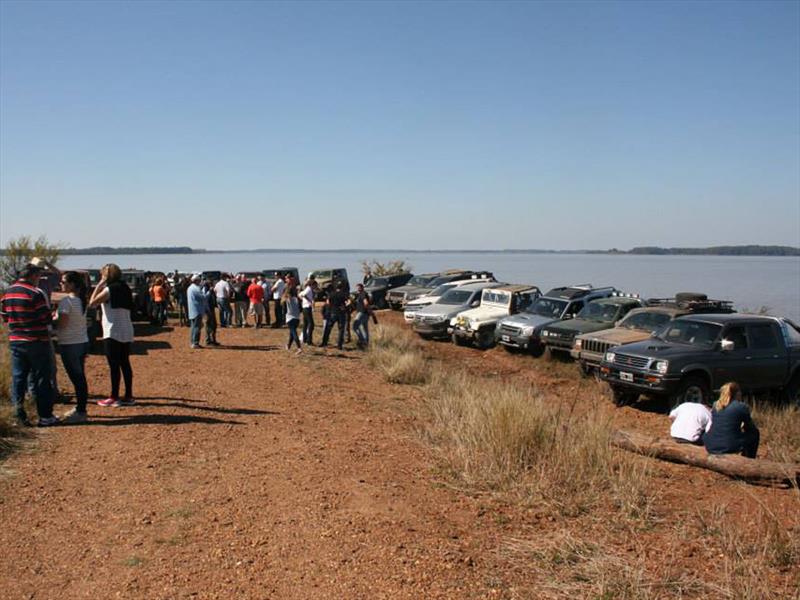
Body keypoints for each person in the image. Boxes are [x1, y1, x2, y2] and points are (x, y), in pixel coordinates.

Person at [0, 263, 60, 427]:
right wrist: (53, 315)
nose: (39, 279)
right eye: (39, 276)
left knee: (18, 378)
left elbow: (5, 316)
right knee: (42, 378)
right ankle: (45, 416)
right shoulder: (35, 293)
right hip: (37, 341)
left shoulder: (8, 293)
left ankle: (18, 416)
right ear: (33, 276)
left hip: (16, 340)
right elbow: (45, 318)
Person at [88, 263, 135, 407]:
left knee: (114, 365)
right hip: (126, 329)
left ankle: (114, 396)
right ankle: (128, 395)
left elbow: (92, 303)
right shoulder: (125, 287)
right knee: (125, 363)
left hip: (112, 330)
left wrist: (99, 285)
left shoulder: (109, 289)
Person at [54, 271, 91, 423]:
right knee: (80, 377)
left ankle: (81, 411)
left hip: (69, 343)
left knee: (77, 378)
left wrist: (53, 322)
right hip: (81, 341)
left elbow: (62, 324)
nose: (61, 284)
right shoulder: (81, 300)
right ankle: (80, 408)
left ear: (72, 284)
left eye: (63, 282)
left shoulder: (66, 302)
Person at [704, 382, 760, 459]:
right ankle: (749, 458)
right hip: (728, 445)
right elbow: (750, 427)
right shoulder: (741, 407)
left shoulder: (715, 405)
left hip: (710, 444)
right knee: (755, 433)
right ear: (737, 393)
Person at [320, 282, 348, 350]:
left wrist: (330, 308)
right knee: (341, 329)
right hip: (341, 313)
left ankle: (324, 342)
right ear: (342, 287)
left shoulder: (331, 294)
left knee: (328, 328)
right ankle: (339, 345)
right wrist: (344, 307)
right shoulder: (344, 294)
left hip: (332, 313)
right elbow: (348, 302)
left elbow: (328, 303)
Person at [186, 273, 206, 348]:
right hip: (197, 310)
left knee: (193, 327)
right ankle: (195, 343)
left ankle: (192, 342)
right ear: (196, 280)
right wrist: (207, 291)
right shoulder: (196, 288)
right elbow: (203, 297)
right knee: (197, 327)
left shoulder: (190, 288)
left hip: (192, 310)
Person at [351, 283, 372, 349]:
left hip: (362, 312)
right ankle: (366, 343)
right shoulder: (360, 294)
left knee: (355, 326)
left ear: (362, 288)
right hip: (364, 313)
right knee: (364, 328)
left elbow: (366, 303)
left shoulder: (363, 294)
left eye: (359, 288)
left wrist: (367, 310)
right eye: (357, 288)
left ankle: (362, 340)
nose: (358, 289)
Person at [283, 286, 303, 353]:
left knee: (294, 333)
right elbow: (300, 309)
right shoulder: (297, 299)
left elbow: (284, 310)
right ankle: (288, 345)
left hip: (290, 318)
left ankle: (299, 348)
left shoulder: (286, 300)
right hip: (297, 318)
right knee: (292, 333)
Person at [203, 279, 220, 346]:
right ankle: (208, 340)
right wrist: (209, 291)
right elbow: (205, 299)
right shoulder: (205, 290)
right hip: (207, 310)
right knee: (208, 325)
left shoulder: (211, 290)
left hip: (211, 309)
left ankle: (213, 339)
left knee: (213, 325)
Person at [300, 276, 316, 345]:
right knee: (311, 324)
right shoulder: (309, 289)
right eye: (315, 286)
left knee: (305, 324)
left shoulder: (307, 288)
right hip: (307, 307)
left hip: (305, 307)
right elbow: (303, 295)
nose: (315, 287)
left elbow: (300, 294)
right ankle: (309, 340)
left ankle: (304, 339)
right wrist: (309, 301)